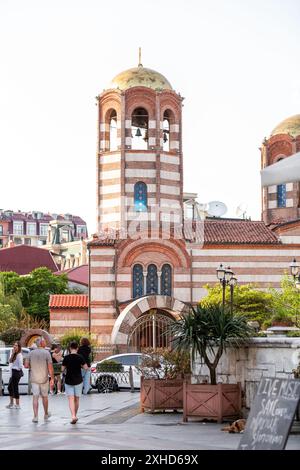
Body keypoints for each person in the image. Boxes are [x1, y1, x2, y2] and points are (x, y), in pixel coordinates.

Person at [25, 337, 54, 423]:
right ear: (41, 343)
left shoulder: (30, 353)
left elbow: (26, 365)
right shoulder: (47, 353)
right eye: (44, 342)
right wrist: (52, 378)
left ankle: (35, 416)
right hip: (44, 379)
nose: (45, 343)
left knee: (35, 397)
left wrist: (32, 367)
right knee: (45, 397)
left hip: (34, 379)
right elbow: (50, 368)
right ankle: (45, 414)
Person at [62, 341, 88, 424]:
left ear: (70, 348)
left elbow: (62, 369)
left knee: (71, 399)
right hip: (78, 380)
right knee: (77, 399)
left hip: (68, 380)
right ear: (77, 348)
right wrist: (80, 366)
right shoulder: (80, 357)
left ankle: (73, 416)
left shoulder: (66, 357)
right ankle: (75, 415)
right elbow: (86, 368)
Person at [6, 341, 23, 409]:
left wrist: (16, 370)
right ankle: (11, 403)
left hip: (16, 372)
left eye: (16, 345)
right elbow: (9, 361)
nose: (15, 346)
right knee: (10, 387)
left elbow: (20, 366)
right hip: (12, 373)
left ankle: (17, 404)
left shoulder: (19, 355)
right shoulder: (13, 354)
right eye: (14, 345)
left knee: (15, 388)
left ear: (19, 347)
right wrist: (13, 353)